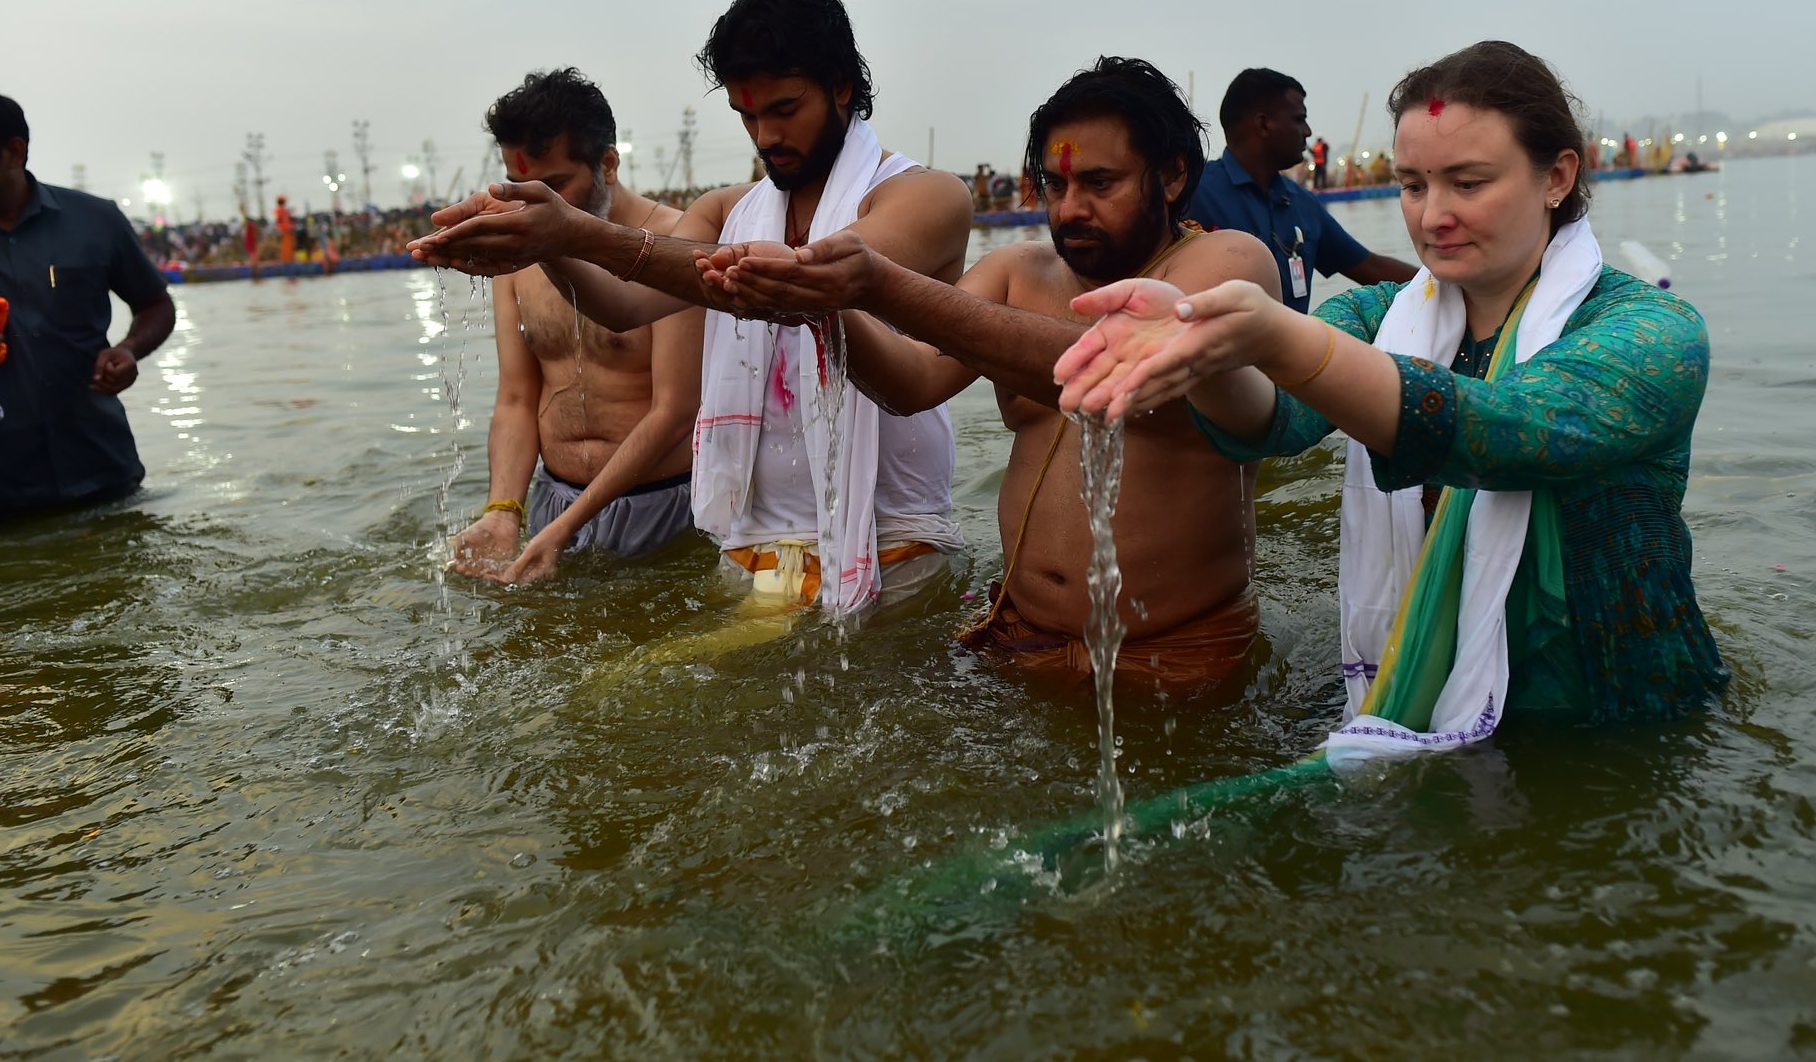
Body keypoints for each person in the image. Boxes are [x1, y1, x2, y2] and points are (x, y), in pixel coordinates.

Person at [1056, 40, 1725, 741]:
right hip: (1422, 691)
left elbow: (1505, 430)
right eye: (1412, 185)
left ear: (1557, 176)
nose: (1433, 215)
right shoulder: (1381, 315)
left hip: (1623, 721)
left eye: (1467, 183)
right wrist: (1210, 351)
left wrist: (1280, 338)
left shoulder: (1651, 332)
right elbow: (1276, 421)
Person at [698, 57, 1283, 691]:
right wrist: (824, 306)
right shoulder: (1016, 273)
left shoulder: (1228, 261)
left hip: (1177, 646)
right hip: (1016, 633)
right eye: (1056, 188)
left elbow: (1122, 362)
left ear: (1170, 178)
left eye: (1099, 183)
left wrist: (882, 282)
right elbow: (912, 382)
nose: (1071, 209)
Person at [410, 0, 971, 623]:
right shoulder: (728, 210)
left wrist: (574, 230)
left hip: (894, 541)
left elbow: (811, 281)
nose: (767, 135)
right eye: (748, 116)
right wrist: (541, 241)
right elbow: (625, 304)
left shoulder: (926, 197)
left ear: (842, 86)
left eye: (786, 108)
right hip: (755, 545)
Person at [445, 69, 703, 585]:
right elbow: (517, 398)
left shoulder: (678, 242)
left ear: (607, 164)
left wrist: (565, 528)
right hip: (553, 501)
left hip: (662, 507)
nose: (534, 208)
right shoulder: (518, 251)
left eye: (556, 187)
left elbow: (675, 411)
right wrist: (504, 510)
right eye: (520, 190)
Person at [0, 84, 177, 538]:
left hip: (102, 481)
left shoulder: (94, 220)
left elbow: (155, 304)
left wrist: (129, 350)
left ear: (13, 152)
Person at [1187, 68, 1413, 313]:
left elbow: (1370, 266)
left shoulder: (1301, 202)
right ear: (1263, 124)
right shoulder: (1192, 194)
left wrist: (1445, 284)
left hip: (1293, 349)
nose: (1307, 131)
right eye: (1298, 119)